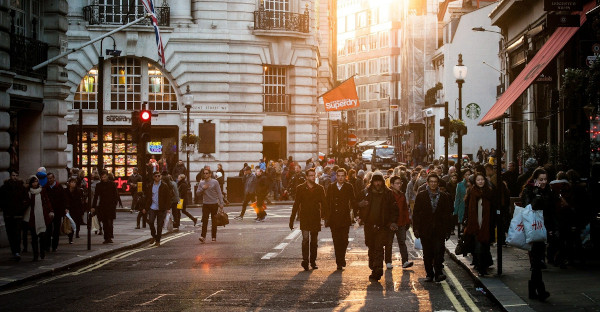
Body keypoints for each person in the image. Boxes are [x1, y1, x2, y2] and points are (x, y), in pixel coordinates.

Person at [357, 171, 399, 282]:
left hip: (383, 225)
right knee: (371, 246)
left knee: (379, 247)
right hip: (369, 225)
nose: (377, 183)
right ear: (372, 182)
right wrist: (360, 207)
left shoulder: (388, 194)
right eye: (375, 181)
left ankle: (378, 268)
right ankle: (373, 267)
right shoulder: (366, 192)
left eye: (379, 181)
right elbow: (358, 205)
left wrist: (392, 222)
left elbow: (394, 210)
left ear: (383, 182)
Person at [520, 168, 555, 301]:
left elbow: (550, 211)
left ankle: (533, 291)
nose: (544, 182)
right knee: (536, 261)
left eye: (545, 179)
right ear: (535, 180)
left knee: (537, 261)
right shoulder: (528, 190)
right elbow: (529, 207)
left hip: (543, 229)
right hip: (532, 229)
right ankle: (540, 290)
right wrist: (537, 194)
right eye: (541, 180)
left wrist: (552, 228)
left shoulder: (548, 191)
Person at [413, 173, 453, 282]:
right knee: (428, 253)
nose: (433, 184)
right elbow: (416, 213)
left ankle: (439, 273)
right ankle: (429, 274)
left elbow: (447, 214)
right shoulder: (421, 196)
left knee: (439, 252)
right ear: (427, 183)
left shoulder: (444, 196)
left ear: (438, 183)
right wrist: (416, 228)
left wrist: (448, 230)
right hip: (425, 230)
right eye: (431, 181)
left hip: (439, 230)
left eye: (435, 182)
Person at [289, 168, 327, 271]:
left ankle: (313, 261)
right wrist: (292, 219)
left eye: (313, 175)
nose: (312, 177)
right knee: (305, 239)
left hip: (315, 217)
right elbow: (296, 204)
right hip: (305, 217)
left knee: (314, 241)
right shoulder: (300, 188)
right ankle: (305, 260)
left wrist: (325, 217)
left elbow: (324, 204)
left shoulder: (319, 188)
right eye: (310, 175)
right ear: (306, 177)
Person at [324, 168, 357, 270]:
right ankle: (339, 261)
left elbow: (353, 201)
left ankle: (341, 257)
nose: (341, 177)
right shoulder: (331, 187)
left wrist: (356, 214)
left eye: (343, 176)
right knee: (336, 240)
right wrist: (326, 216)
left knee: (344, 240)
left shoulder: (348, 187)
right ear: (336, 176)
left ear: (345, 177)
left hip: (345, 218)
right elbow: (326, 202)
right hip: (334, 218)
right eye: (339, 176)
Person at [463, 172, 495, 276]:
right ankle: (481, 269)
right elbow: (467, 209)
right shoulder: (472, 192)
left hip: (487, 224)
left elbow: (494, 208)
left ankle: (483, 267)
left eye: (482, 179)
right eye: (478, 180)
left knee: (485, 247)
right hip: (475, 224)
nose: (480, 181)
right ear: (475, 182)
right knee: (479, 247)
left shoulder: (489, 192)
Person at [0, 171, 28, 261]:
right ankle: (14, 251)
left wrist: (22, 209)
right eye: (13, 175)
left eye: (16, 175)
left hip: (18, 215)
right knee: (10, 234)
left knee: (17, 234)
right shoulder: (4, 187)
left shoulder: (21, 187)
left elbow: (26, 200)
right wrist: (4, 208)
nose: (15, 177)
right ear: (10, 176)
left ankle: (17, 251)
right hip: (8, 214)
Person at [387, 175, 413, 270]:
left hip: (401, 223)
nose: (399, 185)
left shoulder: (402, 195)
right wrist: (389, 223)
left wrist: (407, 221)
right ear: (392, 184)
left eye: (400, 183)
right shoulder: (388, 195)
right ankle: (388, 262)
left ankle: (405, 261)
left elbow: (405, 209)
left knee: (402, 242)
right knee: (389, 243)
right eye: (397, 183)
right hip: (390, 224)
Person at [24, 176, 53, 261]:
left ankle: (42, 252)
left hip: (42, 216)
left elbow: (47, 201)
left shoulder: (42, 191)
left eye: (36, 181)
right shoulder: (28, 192)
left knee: (42, 236)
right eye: (33, 182)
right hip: (32, 217)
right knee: (34, 238)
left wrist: (50, 211)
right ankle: (35, 255)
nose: (35, 183)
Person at [144, 171, 172, 246]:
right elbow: (148, 198)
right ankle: (154, 236)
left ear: (161, 177)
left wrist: (168, 208)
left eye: (158, 176)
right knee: (151, 222)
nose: (157, 177)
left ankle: (158, 241)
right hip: (152, 207)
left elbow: (168, 198)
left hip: (161, 208)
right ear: (153, 177)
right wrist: (145, 208)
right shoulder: (150, 185)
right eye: (155, 176)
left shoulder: (164, 186)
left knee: (159, 225)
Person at [196, 168, 224, 242]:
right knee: (205, 221)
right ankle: (203, 237)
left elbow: (219, 193)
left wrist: (221, 203)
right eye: (204, 173)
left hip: (214, 204)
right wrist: (203, 188)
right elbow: (197, 193)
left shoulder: (215, 182)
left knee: (214, 221)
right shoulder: (201, 183)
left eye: (207, 173)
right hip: (205, 204)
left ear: (210, 174)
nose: (205, 175)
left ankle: (213, 237)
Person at [92, 170, 119, 244]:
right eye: (102, 177)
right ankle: (106, 238)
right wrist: (93, 206)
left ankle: (110, 237)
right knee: (104, 223)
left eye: (104, 177)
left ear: (107, 176)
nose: (103, 178)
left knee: (110, 222)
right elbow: (96, 196)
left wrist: (114, 204)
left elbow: (116, 195)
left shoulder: (112, 184)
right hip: (102, 206)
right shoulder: (99, 185)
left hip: (110, 206)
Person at [43, 172, 68, 252]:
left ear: (54, 178)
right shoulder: (45, 188)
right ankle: (47, 246)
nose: (49, 180)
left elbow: (64, 199)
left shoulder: (59, 187)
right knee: (48, 229)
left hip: (57, 211)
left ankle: (54, 246)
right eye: (48, 178)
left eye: (51, 178)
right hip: (48, 212)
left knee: (56, 230)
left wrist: (64, 209)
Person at [454, 168, 472, 235]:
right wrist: (455, 210)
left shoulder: (473, 184)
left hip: (471, 206)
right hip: (462, 206)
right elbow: (457, 198)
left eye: (469, 174)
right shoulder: (460, 185)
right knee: (463, 225)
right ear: (463, 176)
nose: (468, 176)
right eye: (466, 174)